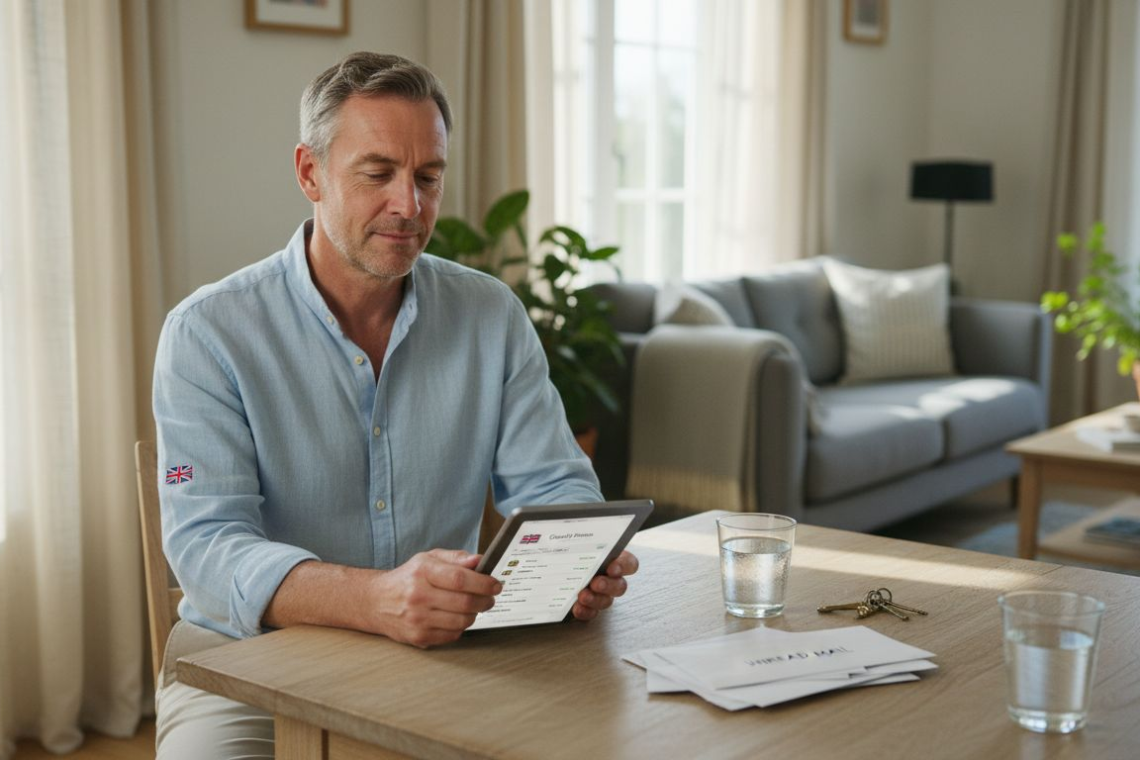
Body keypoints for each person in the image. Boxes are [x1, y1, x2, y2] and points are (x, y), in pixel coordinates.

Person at [151, 51, 639, 759]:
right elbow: (206, 548)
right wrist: (373, 599)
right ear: (310, 173)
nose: (409, 205)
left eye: (428, 176)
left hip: (449, 652)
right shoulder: (209, 333)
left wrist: (579, 557)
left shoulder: (489, 314)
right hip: (246, 659)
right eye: (378, 173)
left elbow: (554, 483)